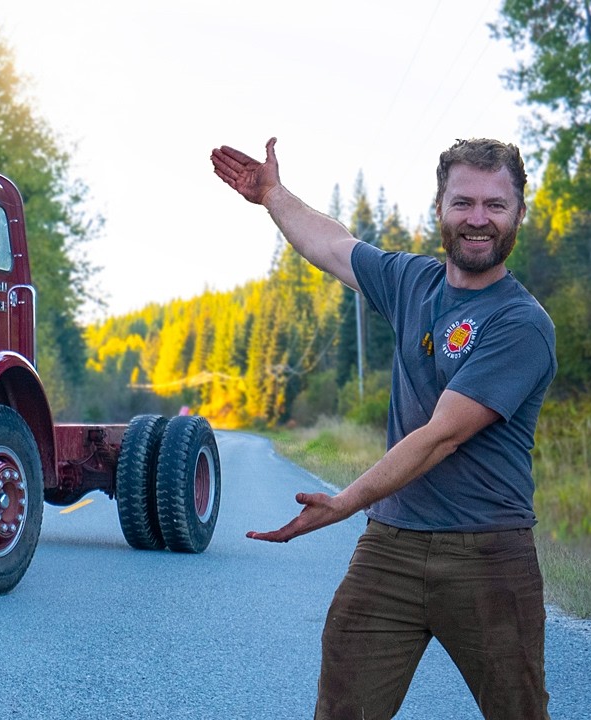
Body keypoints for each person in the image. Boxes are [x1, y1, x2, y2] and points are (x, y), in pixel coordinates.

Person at [210, 137, 556, 719]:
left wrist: (344, 502)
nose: (478, 219)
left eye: (495, 205)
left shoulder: (520, 323)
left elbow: (441, 435)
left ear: (519, 212)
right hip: (389, 549)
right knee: (342, 709)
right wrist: (272, 194)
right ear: (439, 209)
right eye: (463, 202)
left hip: (488, 556)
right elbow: (335, 246)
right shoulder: (412, 283)